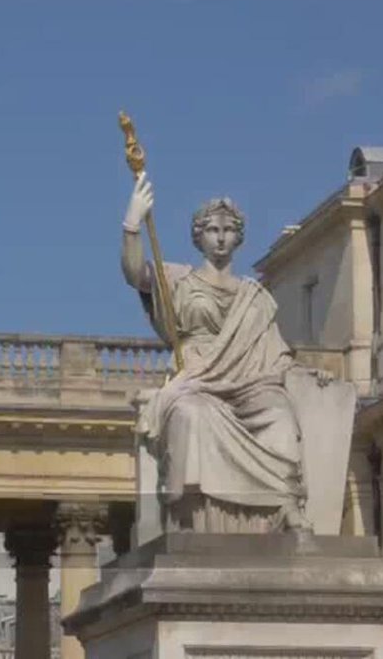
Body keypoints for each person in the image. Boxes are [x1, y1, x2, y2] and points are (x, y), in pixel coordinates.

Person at [121, 174, 324, 534]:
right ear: (198, 236)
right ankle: (194, 514)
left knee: (279, 415)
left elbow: (275, 353)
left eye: (228, 230)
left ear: (238, 237)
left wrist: (307, 373)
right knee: (191, 414)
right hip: (197, 379)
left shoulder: (255, 296)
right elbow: (136, 273)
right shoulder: (179, 279)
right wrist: (132, 224)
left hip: (249, 380)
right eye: (212, 230)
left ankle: (286, 505)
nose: (220, 237)